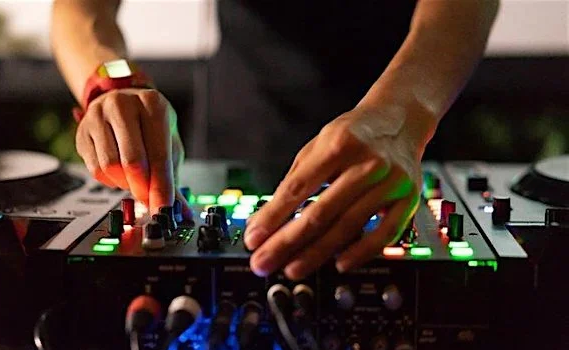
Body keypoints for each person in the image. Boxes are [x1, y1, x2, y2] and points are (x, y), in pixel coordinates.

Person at [51, 0, 499, 279]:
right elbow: (79, 6)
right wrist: (111, 84)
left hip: (397, 140)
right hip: (239, 128)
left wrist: (403, 116)